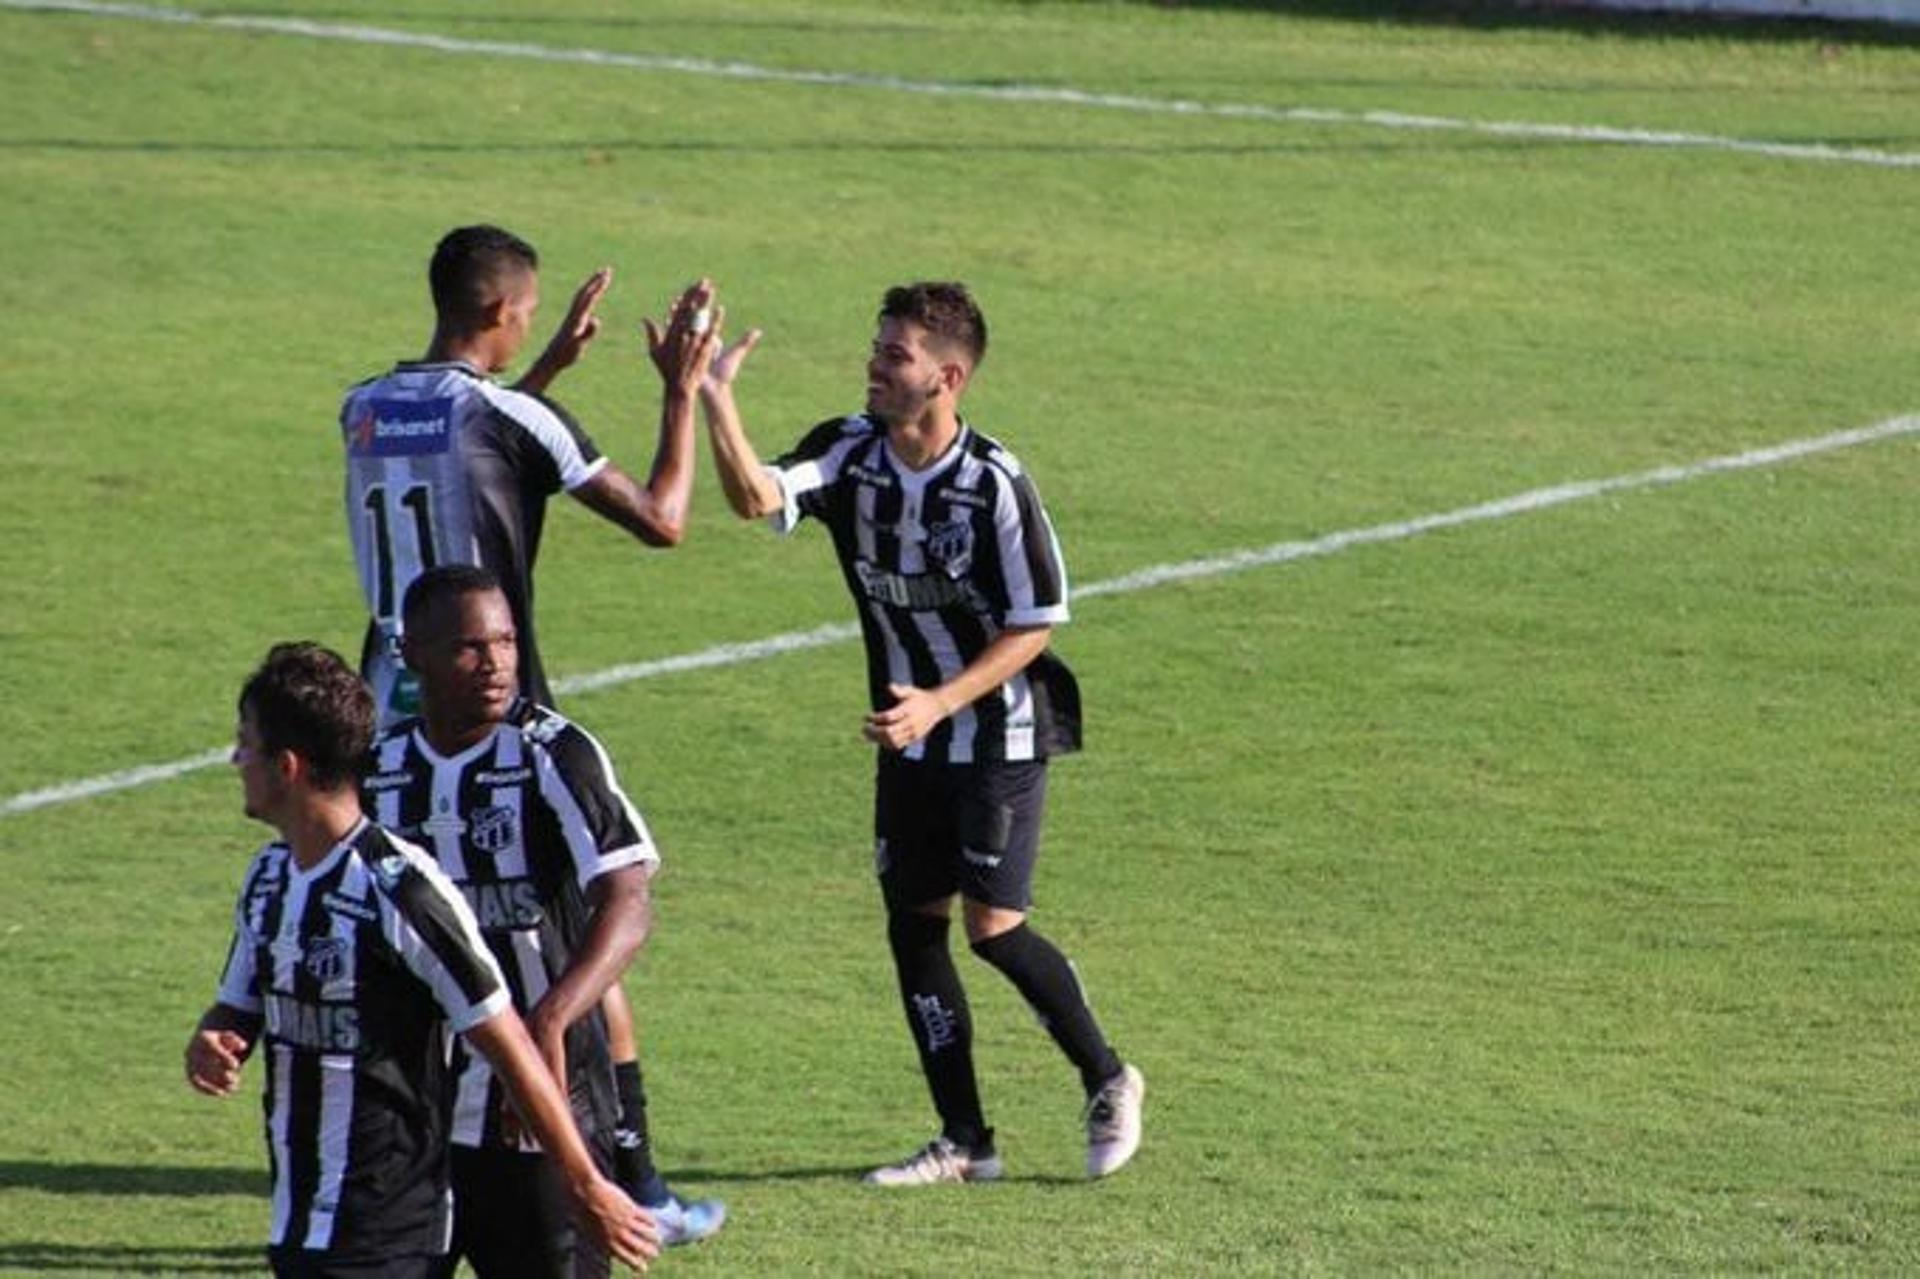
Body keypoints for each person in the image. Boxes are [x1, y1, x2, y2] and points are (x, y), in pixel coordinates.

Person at [695, 281, 1146, 1184]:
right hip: (909, 739)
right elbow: (756, 498)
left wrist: (942, 699)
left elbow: (1037, 622)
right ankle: (966, 1140)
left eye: (893, 354)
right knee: (914, 927)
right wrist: (714, 396)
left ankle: (1109, 1076)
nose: (872, 364)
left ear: (945, 377)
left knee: (993, 927)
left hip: (997, 736)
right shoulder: (850, 452)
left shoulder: (994, 485)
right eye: (876, 348)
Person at [338, 223, 717, 1226]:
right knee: (566, 925)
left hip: (389, 714)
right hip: (492, 711)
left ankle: (406, 1168)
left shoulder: (363, 409)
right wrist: (680, 390)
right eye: (532, 316)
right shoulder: (511, 416)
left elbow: (470, 438)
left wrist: (542, 373)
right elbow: (664, 517)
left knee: (407, 935)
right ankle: (632, 1174)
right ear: (505, 311)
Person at [184, 642, 657, 1278]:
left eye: (246, 743)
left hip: (389, 1225)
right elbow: (238, 1005)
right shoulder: (268, 879)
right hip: (299, 1220)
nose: (236, 759)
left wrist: (587, 1183)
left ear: (288, 765)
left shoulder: (400, 891)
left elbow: (506, 1037)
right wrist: (218, 1038)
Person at [361, 564, 722, 1273]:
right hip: (411, 1107)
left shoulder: (550, 752)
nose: (495, 662)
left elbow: (629, 895)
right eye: (470, 646)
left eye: (505, 641)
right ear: (413, 653)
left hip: (542, 1099)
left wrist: (553, 1015)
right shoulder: (378, 768)